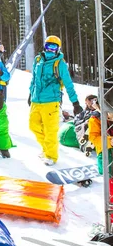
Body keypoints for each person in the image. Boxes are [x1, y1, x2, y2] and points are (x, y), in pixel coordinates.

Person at [28, 35, 82, 166]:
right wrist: (30, 94)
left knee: (50, 130)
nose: (50, 49)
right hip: (36, 100)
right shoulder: (38, 59)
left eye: (53, 47)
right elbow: (34, 79)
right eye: (48, 46)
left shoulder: (60, 64)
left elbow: (68, 84)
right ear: (45, 46)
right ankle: (46, 149)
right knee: (33, 126)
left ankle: (51, 156)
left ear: (58, 49)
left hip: (51, 101)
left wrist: (75, 103)